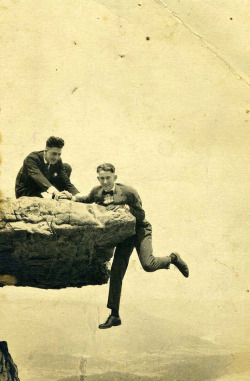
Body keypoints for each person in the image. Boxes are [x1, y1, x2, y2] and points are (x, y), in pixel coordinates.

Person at [70, 163, 189, 329]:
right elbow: (86, 200)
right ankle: (114, 315)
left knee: (148, 265)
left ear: (115, 178)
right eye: (102, 178)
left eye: (108, 178)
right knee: (116, 272)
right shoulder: (97, 191)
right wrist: (71, 197)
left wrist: (124, 209)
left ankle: (173, 258)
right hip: (123, 234)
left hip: (139, 230)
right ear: (98, 178)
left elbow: (141, 215)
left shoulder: (128, 192)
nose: (105, 182)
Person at [15, 136, 79, 200]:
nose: (56, 157)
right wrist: (55, 192)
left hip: (45, 189)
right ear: (46, 151)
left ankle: (60, 195)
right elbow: (38, 177)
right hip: (27, 191)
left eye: (59, 154)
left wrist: (79, 196)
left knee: (66, 167)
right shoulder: (31, 158)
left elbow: (66, 182)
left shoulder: (58, 160)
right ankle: (56, 195)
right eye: (54, 154)